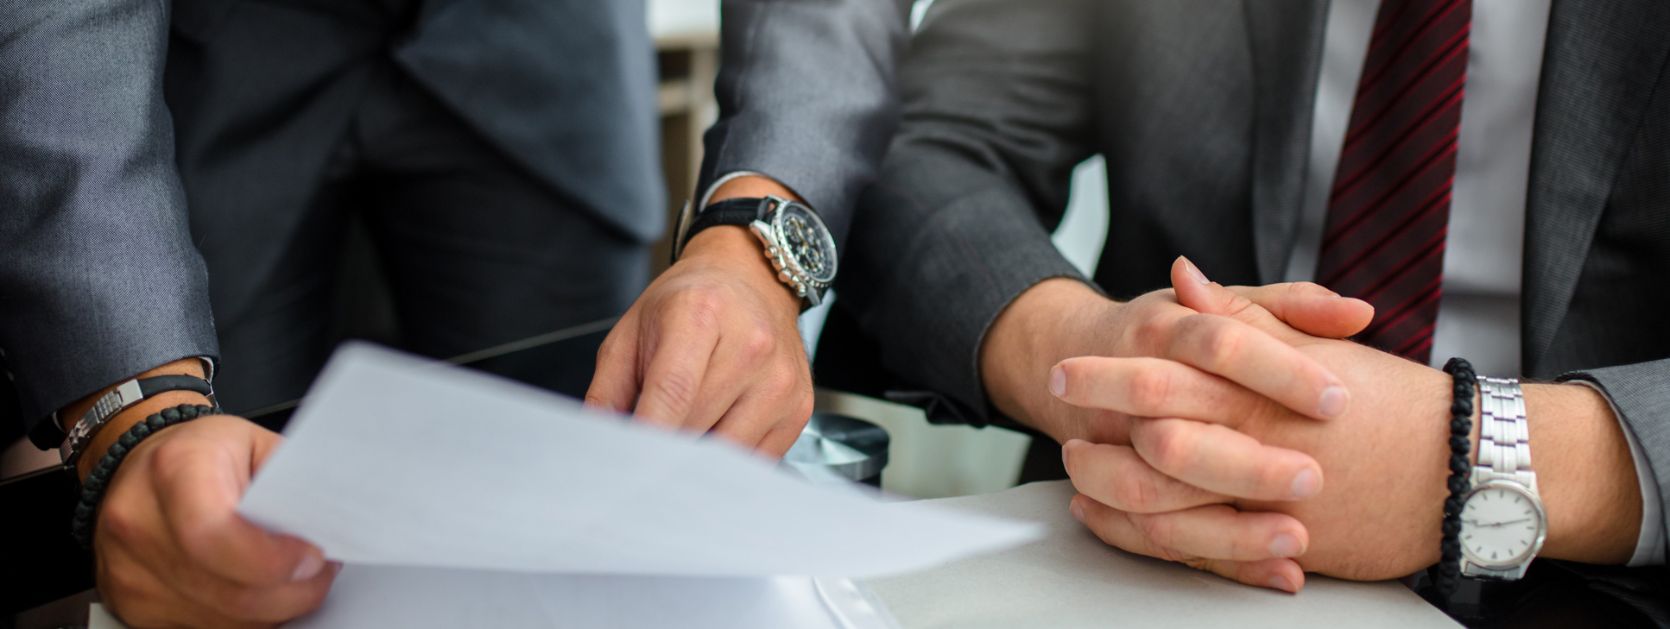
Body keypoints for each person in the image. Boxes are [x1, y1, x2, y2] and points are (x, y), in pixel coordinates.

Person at [2, 0, 908, 625]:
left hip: (544, 58)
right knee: (222, 545)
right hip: (197, 61)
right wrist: (132, 408)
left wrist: (756, 239)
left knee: (599, 532)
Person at [832, 0, 1667, 605]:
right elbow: (924, 142)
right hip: (1139, 549)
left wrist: (1481, 456)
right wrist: (1085, 357)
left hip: (1592, 584)